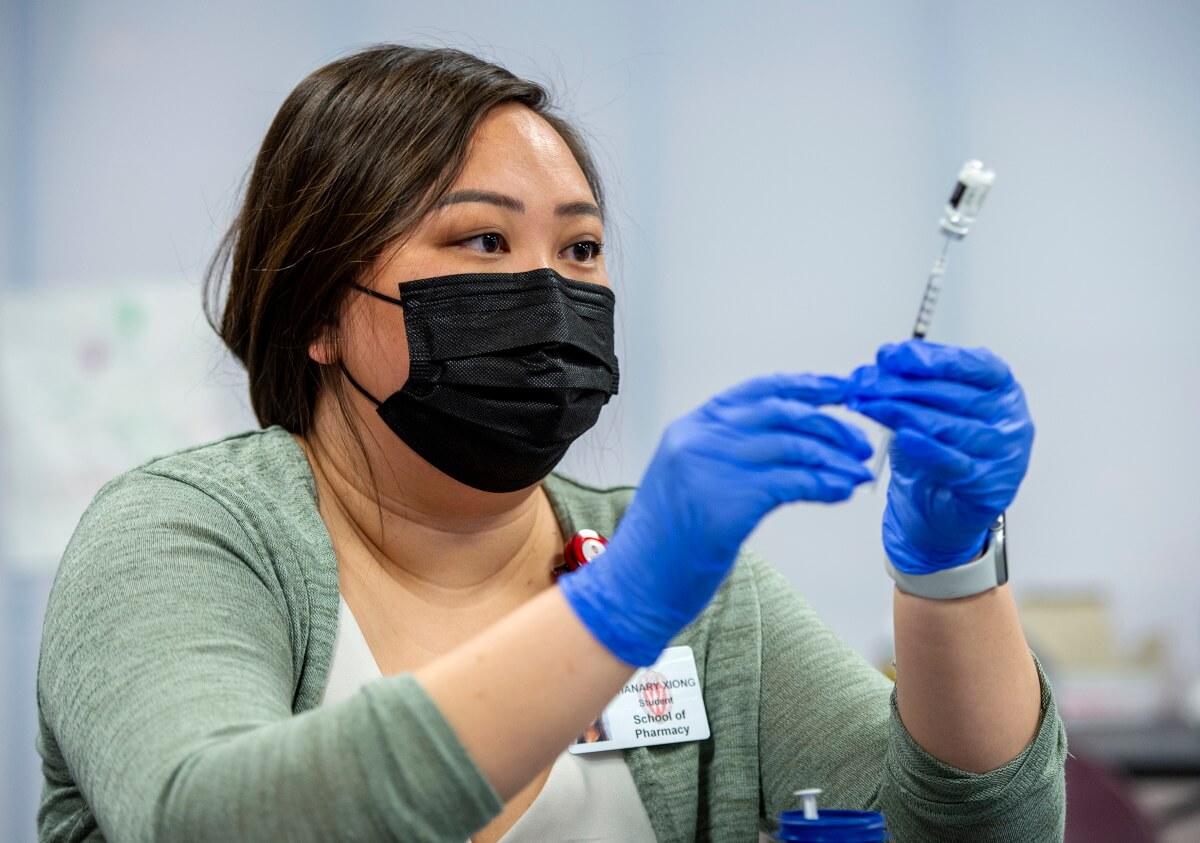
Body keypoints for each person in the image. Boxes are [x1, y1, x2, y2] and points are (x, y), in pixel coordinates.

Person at [36, 45, 1066, 842]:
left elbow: (974, 831)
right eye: (482, 239)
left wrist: (952, 574)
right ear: (319, 309)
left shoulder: (682, 580)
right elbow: (207, 820)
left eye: (579, 248)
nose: (550, 291)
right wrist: (616, 612)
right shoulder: (184, 534)